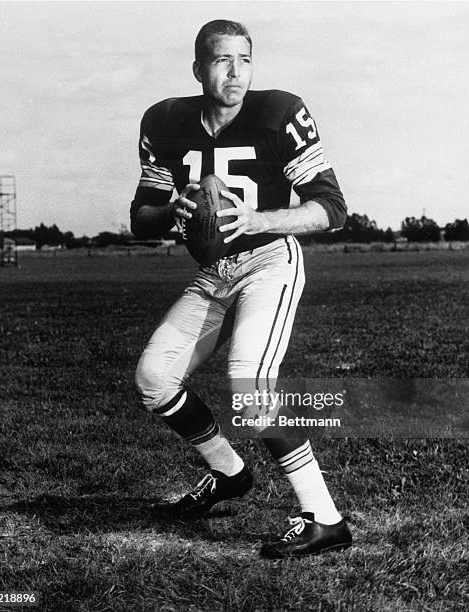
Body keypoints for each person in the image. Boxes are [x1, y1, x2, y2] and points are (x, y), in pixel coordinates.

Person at [131, 19, 352, 558]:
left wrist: (257, 220)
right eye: (222, 60)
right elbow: (141, 217)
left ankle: (325, 517)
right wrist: (172, 211)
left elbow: (332, 209)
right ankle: (228, 472)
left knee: (249, 386)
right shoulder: (165, 120)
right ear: (198, 68)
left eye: (245, 59)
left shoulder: (278, 112)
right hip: (214, 274)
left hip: (268, 261)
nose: (236, 72)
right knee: (154, 378)